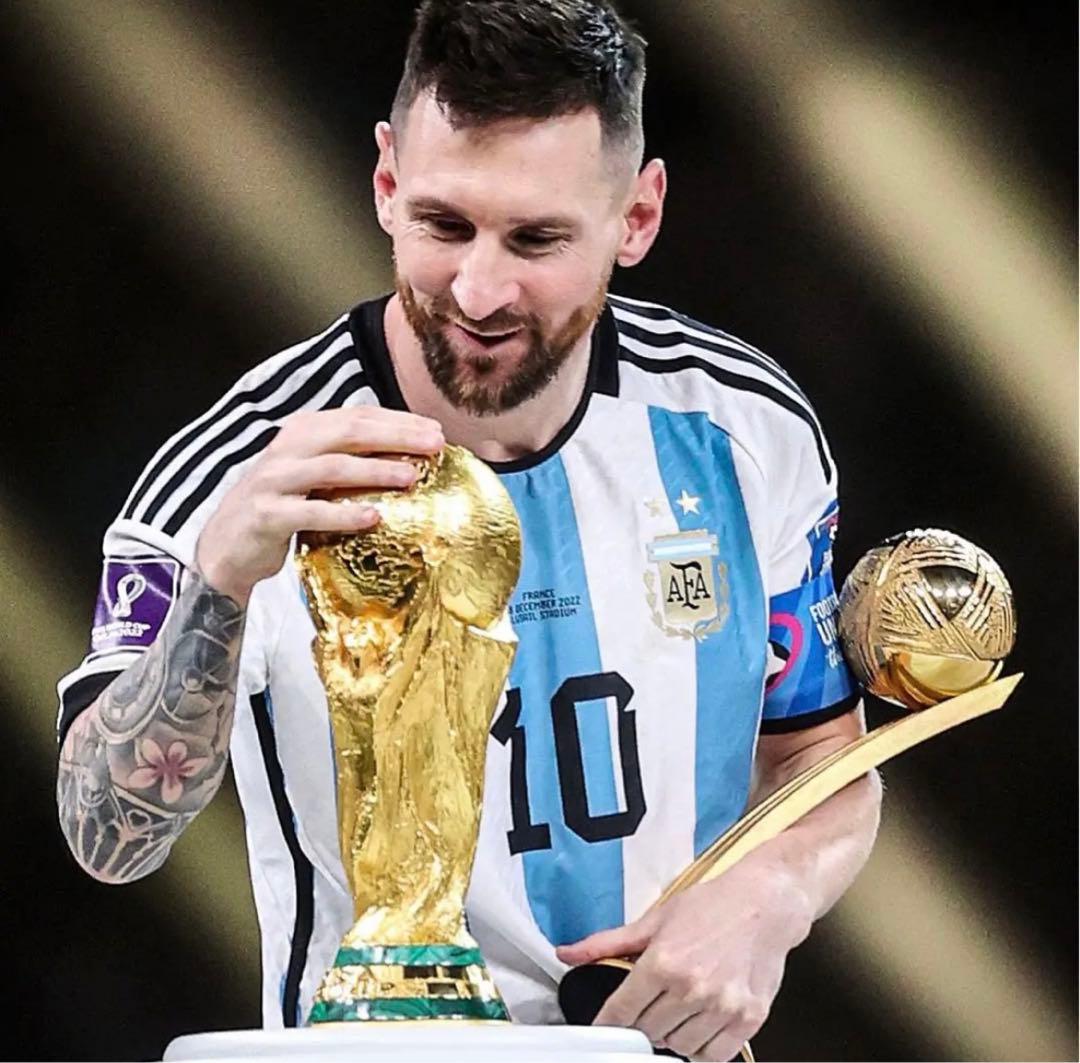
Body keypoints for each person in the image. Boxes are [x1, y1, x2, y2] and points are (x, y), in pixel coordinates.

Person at [55, 1, 881, 1059]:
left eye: (536, 238)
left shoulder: (745, 430)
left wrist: (772, 891)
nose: (480, 291)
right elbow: (106, 837)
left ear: (637, 217)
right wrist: (218, 580)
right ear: (385, 184)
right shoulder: (234, 476)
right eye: (444, 225)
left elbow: (821, 754)